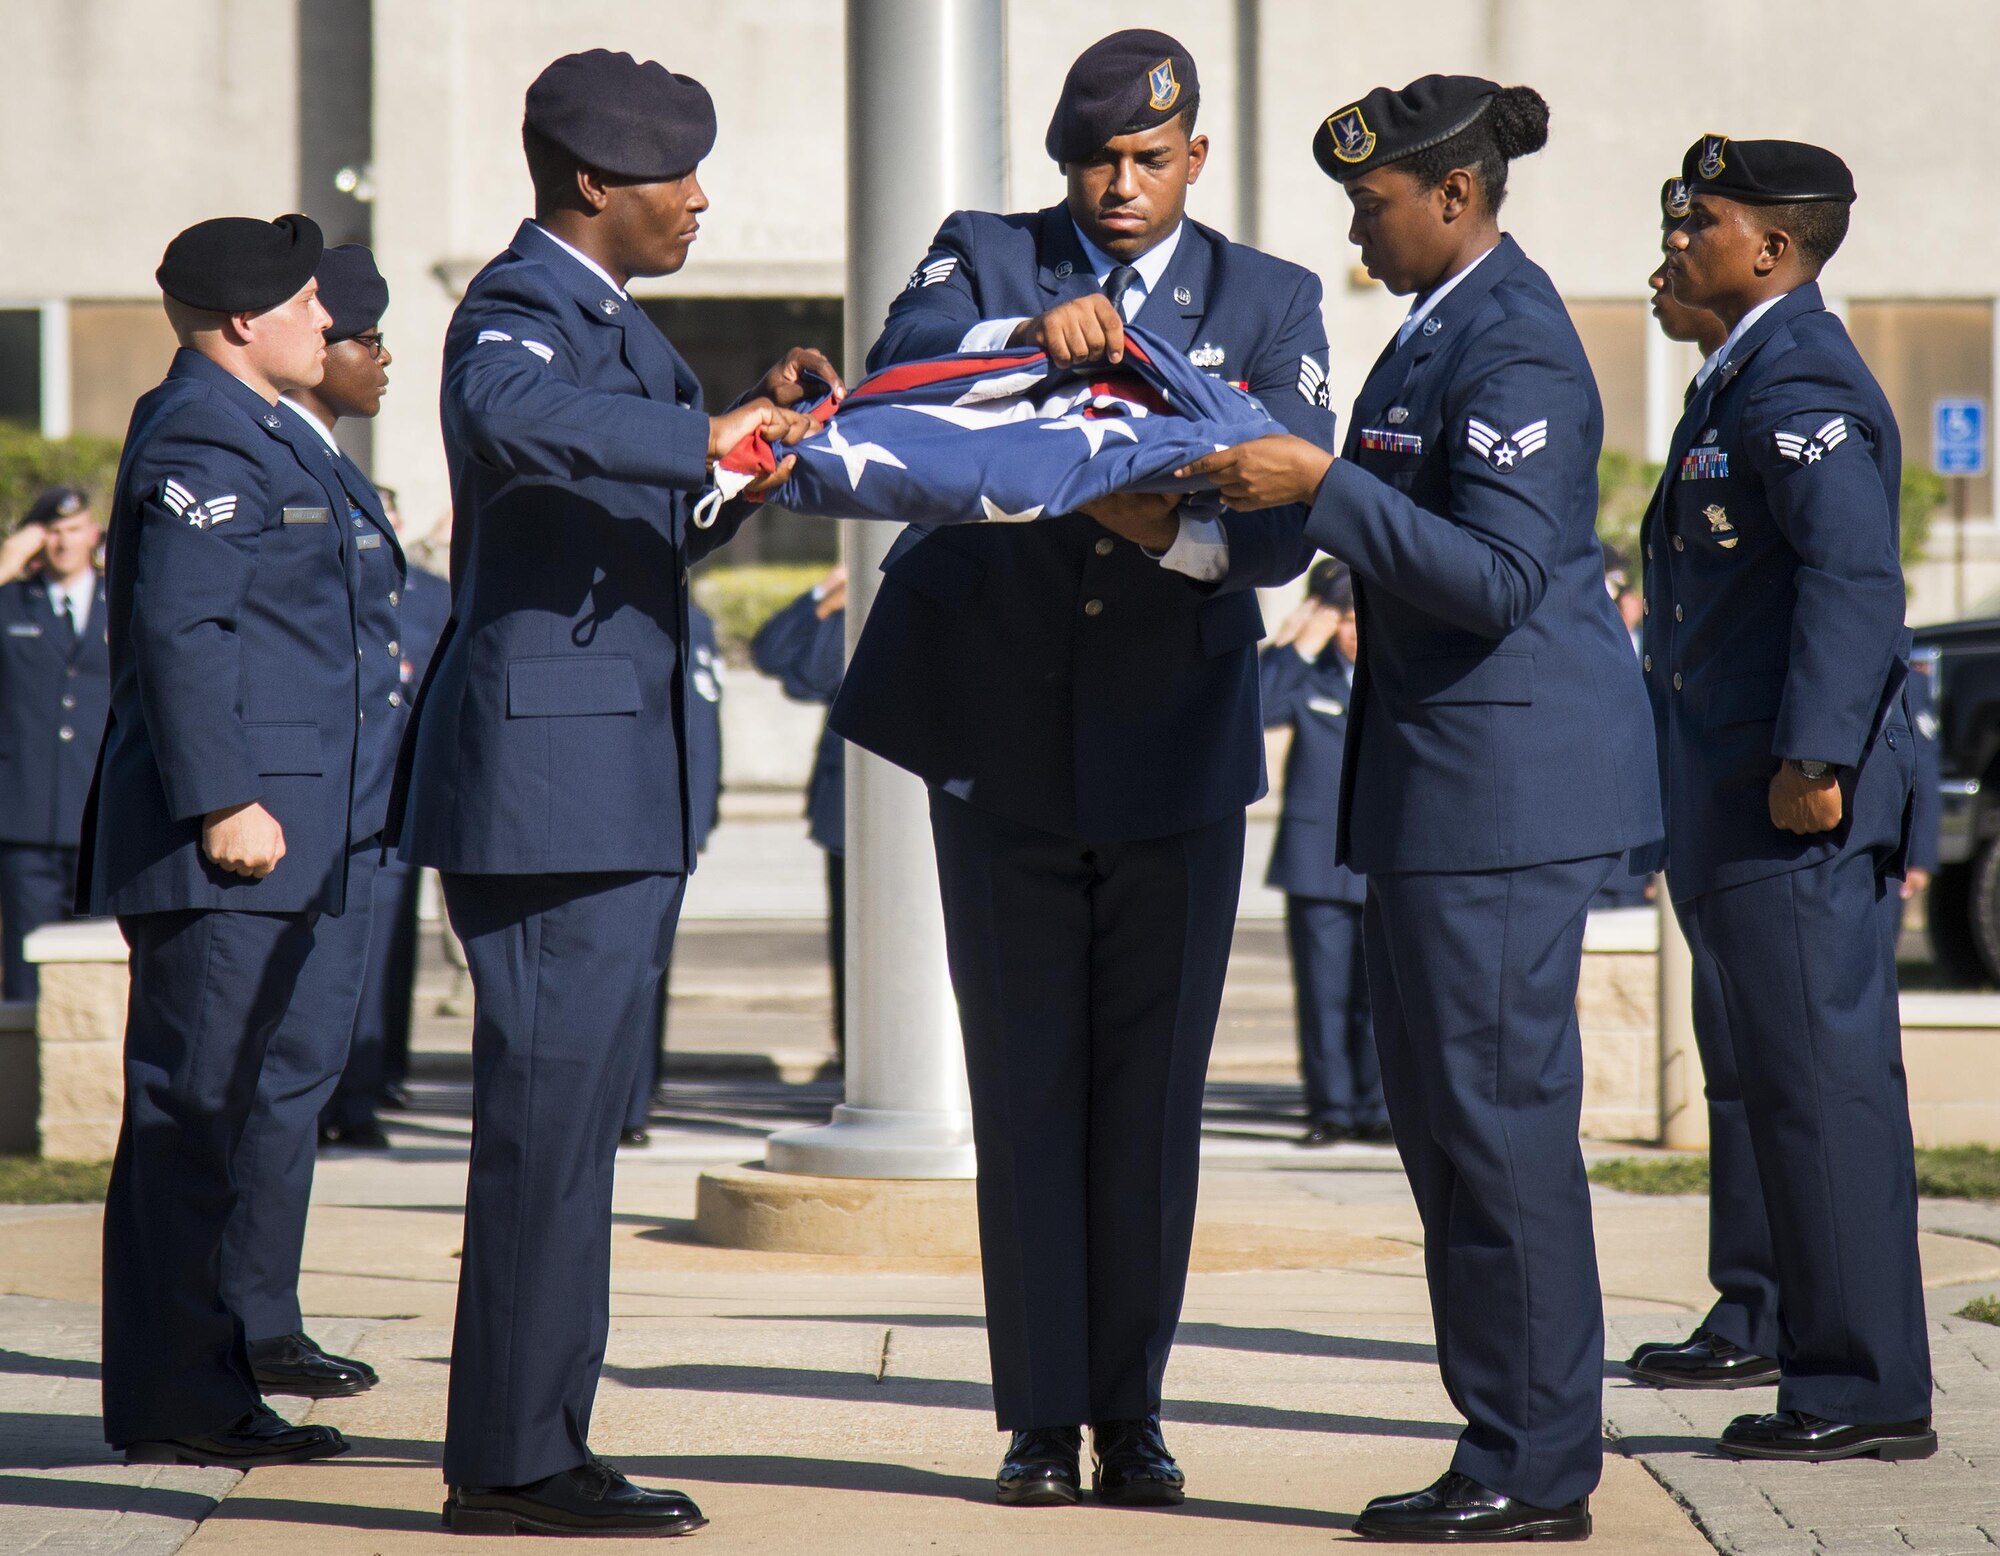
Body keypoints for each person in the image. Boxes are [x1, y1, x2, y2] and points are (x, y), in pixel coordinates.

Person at [829, 28, 1334, 1510]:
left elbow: (1285, 506)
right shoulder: (986, 258)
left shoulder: (1267, 298)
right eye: (1093, 161)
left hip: (1172, 745)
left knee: (1151, 1103)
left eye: (1146, 160)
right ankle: (1042, 1417)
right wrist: (1016, 347)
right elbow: (900, 393)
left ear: (1194, 159)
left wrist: (1159, 521)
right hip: (998, 747)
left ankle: (1136, 1409)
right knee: (1028, 1090)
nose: (1117, 186)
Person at [1179, 75, 1662, 1541]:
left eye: (1372, 203)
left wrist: (1319, 480)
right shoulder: (1432, 334)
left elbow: (1501, 578)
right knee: (1449, 1129)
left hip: (1501, 795)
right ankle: (1499, 1443)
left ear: (1454, 196)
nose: (1355, 229)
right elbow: (1362, 525)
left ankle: (1533, 1466)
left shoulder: (1513, 345)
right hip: (1439, 792)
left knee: (1498, 1128)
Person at [394, 49, 832, 1537]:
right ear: (596, 185)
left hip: (611, 782)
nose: (699, 202)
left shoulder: (617, 332)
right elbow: (513, 421)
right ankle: (513, 1463)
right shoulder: (516, 309)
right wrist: (692, 430)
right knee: (542, 1127)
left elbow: (655, 528)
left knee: (576, 1133)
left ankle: (540, 1441)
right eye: (676, 178)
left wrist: (756, 450)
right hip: (549, 784)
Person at [1624, 136, 1933, 1464]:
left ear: (1773, 247)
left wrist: (1814, 759)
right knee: (1774, 1078)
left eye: (1701, 220)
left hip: (1788, 800)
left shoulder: (1799, 375)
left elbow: (1853, 580)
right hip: (1732, 794)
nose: (1679, 237)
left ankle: (1864, 1387)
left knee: (1824, 1091)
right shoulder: (1742, 370)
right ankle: (1793, 1328)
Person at [85, 212, 376, 1469]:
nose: (331, 320)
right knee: (190, 1120)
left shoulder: (259, 427)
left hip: (283, 831)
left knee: (221, 1114)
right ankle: (178, 1396)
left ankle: (205, 1376)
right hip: (232, 841)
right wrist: (221, 801)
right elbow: (183, 631)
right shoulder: (205, 429)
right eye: (311, 303)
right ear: (246, 321)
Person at [203, 243, 406, 1402]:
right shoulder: (238, 437)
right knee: (241, 1079)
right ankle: (228, 1322)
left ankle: (264, 1312)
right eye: (363, 339)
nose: (378, 359)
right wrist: (231, 796)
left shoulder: (323, 455)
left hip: (348, 817)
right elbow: (199, 635)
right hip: (274, 821)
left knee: (299, 1073)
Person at [323, 481, 451, 1143]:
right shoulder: (322, 582)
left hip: (396, 802)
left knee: (381, 961)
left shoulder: (433, 596)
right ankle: (316, 1099)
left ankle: (363, 1096)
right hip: (322, 799)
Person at [1259, 559, 1384, 1147]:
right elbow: (1255, 709)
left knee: (1381, 997)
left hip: (1382, 862)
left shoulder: (1394, 679)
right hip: (1315, 864)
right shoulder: (1305, 676)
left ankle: (1379, 1109)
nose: (1356, 631)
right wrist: (1298, 643)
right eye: (1346, 619)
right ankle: (1330, 1109)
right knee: (1323, 995)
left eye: (1364, 617)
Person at [620, 599, 721, 1148]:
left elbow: (700, 723)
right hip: (624, 812)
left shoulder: (686, 614)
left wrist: (693, 816)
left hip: (652, 815)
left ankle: (631, 1103)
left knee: (640, 970)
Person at [0, 487, 108, 1002]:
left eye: (73, 529)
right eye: (51, 532)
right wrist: (6, 561)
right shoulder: (10, 601)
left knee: (105, 977)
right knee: (25, 981)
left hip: (102, 817)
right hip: (27, 820)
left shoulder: (124, 598)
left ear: (92, 534)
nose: (64, 543)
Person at [750, 565, 848, 1060]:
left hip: (914, 810)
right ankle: (853, 1057)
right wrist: (825, 595)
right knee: (850, 945)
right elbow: (772, 653)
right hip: (846, 812)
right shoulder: (844, 598)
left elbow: (812, 675)